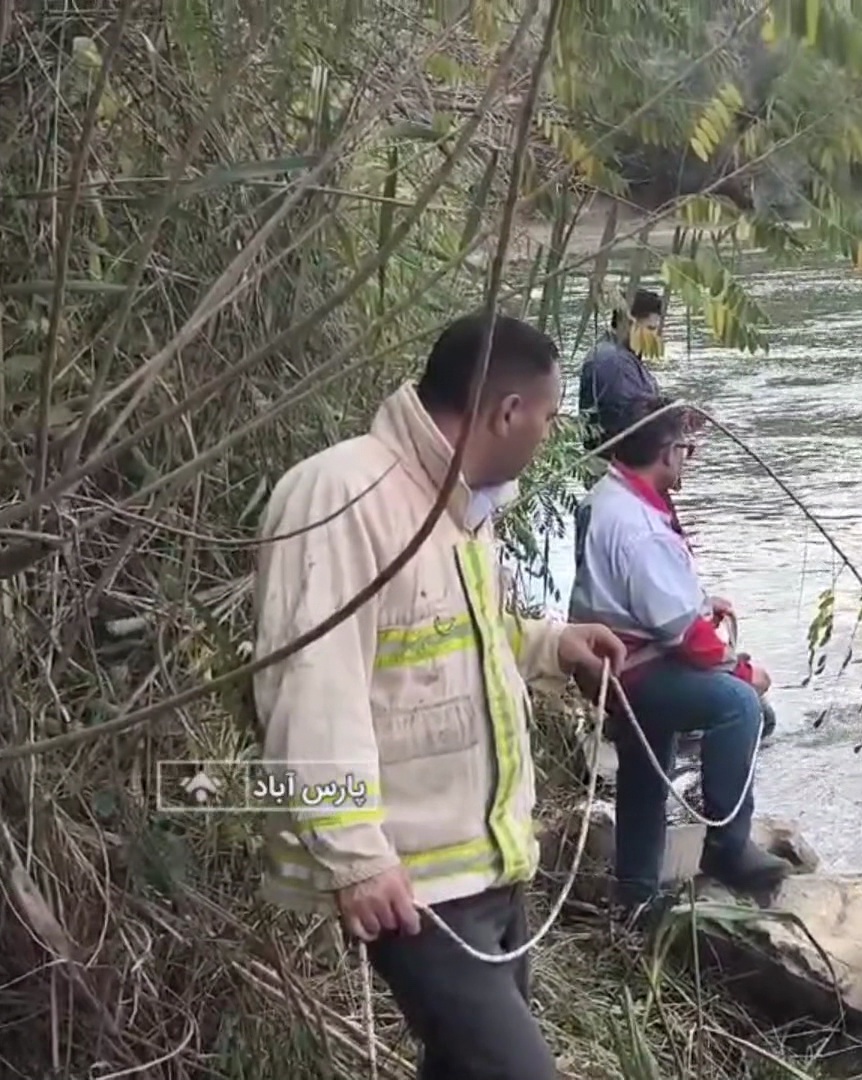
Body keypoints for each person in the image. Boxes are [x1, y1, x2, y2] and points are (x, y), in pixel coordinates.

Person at [251, 311, 628, 1080]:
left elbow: (457, 641)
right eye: (551, 418)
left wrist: (551, 646)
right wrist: (355, 857)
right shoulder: (342, 497)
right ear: (508, 412)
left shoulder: (463, 508)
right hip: (411, 884)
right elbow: (311, 686)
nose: (551, 437)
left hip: (485, 869)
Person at [568, 400, 789, 922]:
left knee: (647, 764)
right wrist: (740, 672)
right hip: (635, 667)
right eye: (686, 451)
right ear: (667, 453)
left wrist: (701, 600)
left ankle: (637, 892)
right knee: (739, 705)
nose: (688, 461)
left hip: (609, 664)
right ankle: (727, 846)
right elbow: (683, 634)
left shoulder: (608, 498)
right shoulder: (639, 525)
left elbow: (638, 593)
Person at [577, 287, 665, 459]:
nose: (656, 337)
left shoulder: (621, 355)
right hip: (614, 466)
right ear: (628, 323)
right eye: (651, 328)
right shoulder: (613, 361)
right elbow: (632, 419)